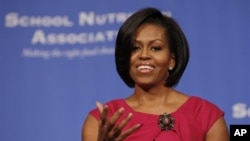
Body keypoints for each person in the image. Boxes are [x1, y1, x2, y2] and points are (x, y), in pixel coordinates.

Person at [82, 7, 229, 141]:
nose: (144, 55)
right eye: (135, 48)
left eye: (155, 48)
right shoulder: (103, 121)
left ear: (172, 60)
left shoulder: (206, 116)